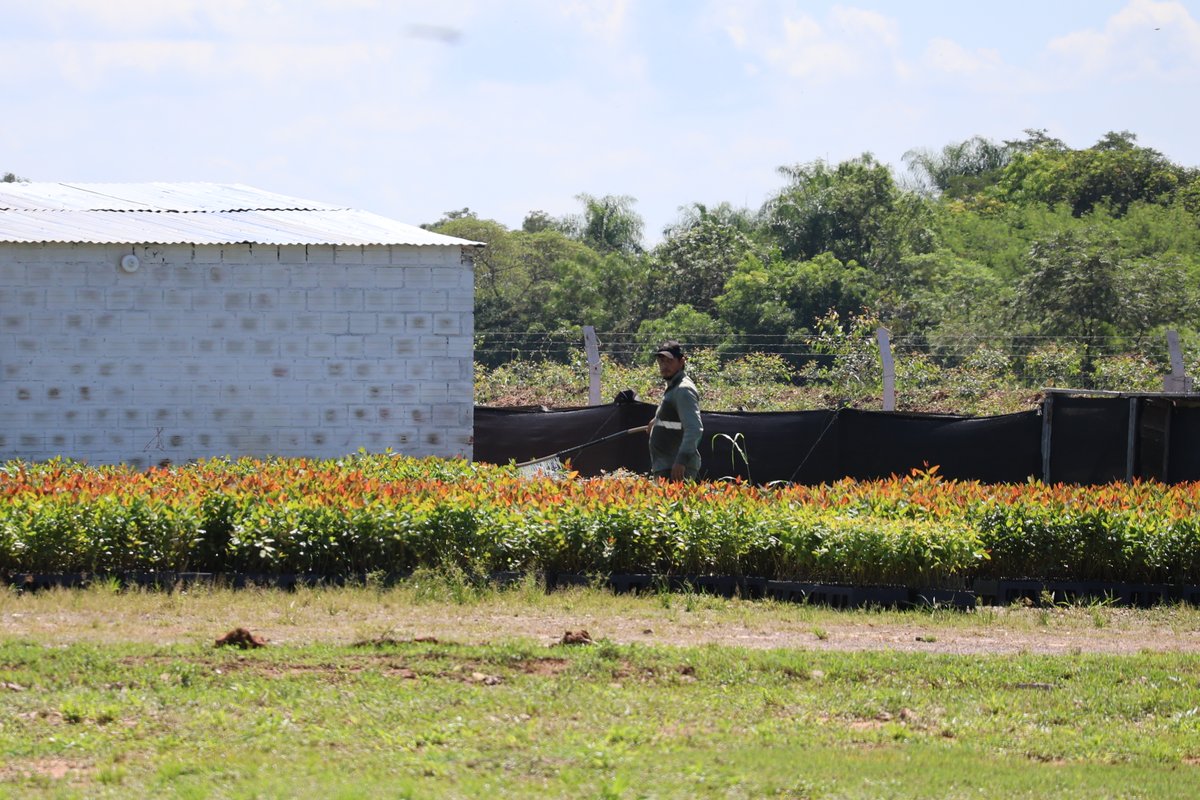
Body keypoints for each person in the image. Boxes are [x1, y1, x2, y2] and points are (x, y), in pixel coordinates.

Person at [647, 340, 702, 481]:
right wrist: (658, 422)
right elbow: (679, 425)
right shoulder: (674, 386)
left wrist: (681, 462)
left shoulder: (683, 389)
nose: (664, 366)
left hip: (675, 470)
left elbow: (694, 429)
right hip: (666, 466)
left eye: (669, 361)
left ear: (681, 361)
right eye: (661, 361)